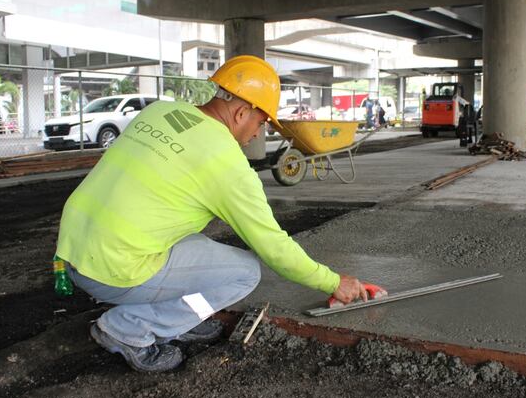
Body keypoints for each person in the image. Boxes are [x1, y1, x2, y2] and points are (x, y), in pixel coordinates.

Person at [56, 55, 369, 373]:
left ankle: (176, 319)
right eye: (261, 122)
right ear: (241, 111)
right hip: (110, 270)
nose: (258, 133)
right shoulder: (227, 163)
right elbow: (274, 248)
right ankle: (128, 328)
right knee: (245, 272)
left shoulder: (160, 111)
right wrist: (332, 282)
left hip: (71, 249)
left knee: (196, 240)